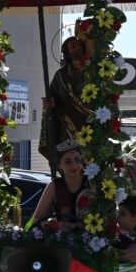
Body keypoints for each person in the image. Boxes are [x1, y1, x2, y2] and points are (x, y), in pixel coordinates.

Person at [39, 33, 94, 170]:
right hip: (67, 127)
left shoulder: (92, 72)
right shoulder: (60, 76)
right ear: (67, 53)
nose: (78, 48)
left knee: (91, 163)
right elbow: (52, 98)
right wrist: (50, 104)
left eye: (80, 45)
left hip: (89, 123)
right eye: (73, 46)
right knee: (71, 160)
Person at [31, 140, 89, 231]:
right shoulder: (54, 186)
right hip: (63, 242)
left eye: (78, 160)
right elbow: (36, 219)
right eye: (67, 161)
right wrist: (54, 225)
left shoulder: (92, 182)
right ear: (59, 164)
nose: (74, 165)